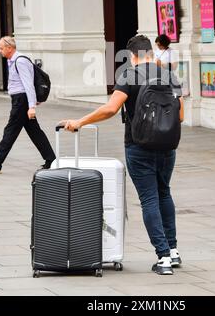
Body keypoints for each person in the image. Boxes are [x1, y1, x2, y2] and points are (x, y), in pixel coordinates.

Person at [62, 35, 184, 276]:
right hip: (167, 146)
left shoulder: (129, 74)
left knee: (149, 199)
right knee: (164, 193)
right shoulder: (170, 75)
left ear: (132, 56)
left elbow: (110, 108)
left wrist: (80, 121)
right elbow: (180, 116)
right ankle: (173, 250)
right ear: (150, 52)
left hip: (138, 146)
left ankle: (163, 257)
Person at [0, 36, 56, 174]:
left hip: (21, 102)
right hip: (19, 100)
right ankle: (51, 160)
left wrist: (31, 107)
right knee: (35, 132)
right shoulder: (12, 61)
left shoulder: (20, 61)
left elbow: (28, 84)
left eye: (1, 48)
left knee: (10, 131)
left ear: (9, 48)